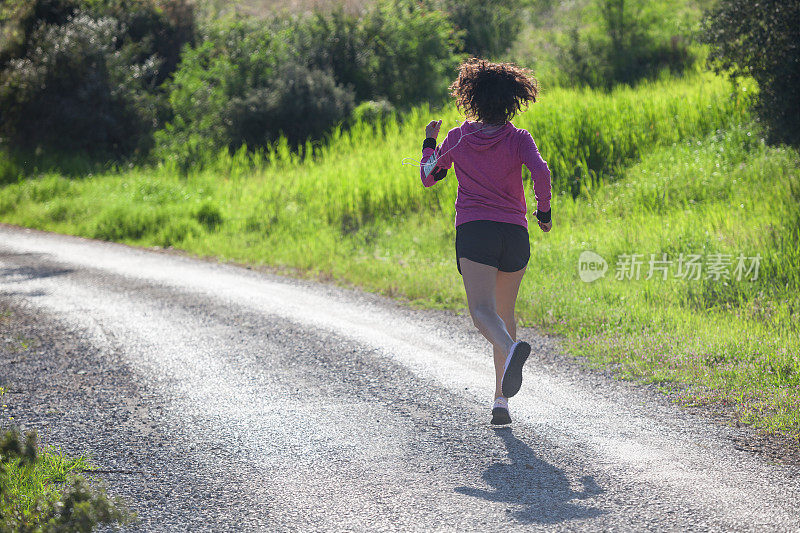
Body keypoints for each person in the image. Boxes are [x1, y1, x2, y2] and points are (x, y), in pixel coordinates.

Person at [418, 58, 552, 426]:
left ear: (470, 97)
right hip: (514, 235)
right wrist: (544, 213)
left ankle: (510, 352)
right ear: (513, 99)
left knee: (482, 312)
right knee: (504, 314)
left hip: (477, 231)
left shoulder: (458, 137)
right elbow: (541, 171)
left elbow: (430, 178)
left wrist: (429, 141)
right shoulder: (520, 138)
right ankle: (500, 403)